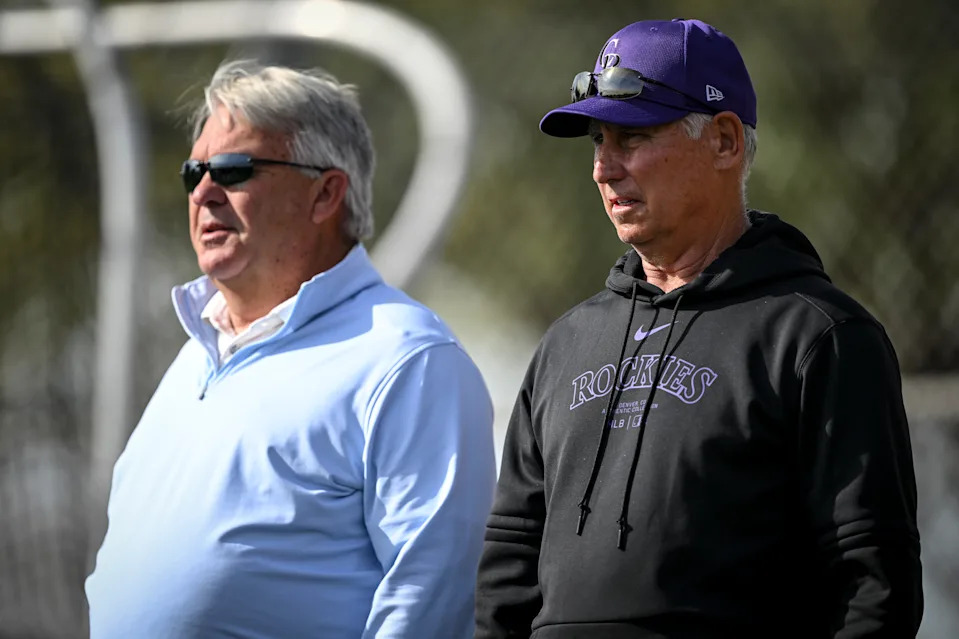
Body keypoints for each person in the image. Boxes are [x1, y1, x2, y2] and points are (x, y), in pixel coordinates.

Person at [475, 18, 922, 638]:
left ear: (724, 141)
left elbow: (874, 583)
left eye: (631, 137)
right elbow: (509, 568)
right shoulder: (564, 344)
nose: (605, 169)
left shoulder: (819, 336)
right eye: (598, 141)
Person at [85, 59, 496, 638]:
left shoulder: (406, 359)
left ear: (325, 193)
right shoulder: (196, 354)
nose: (204, 192)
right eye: (192, 172)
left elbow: (432, 593)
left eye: (232, 169)